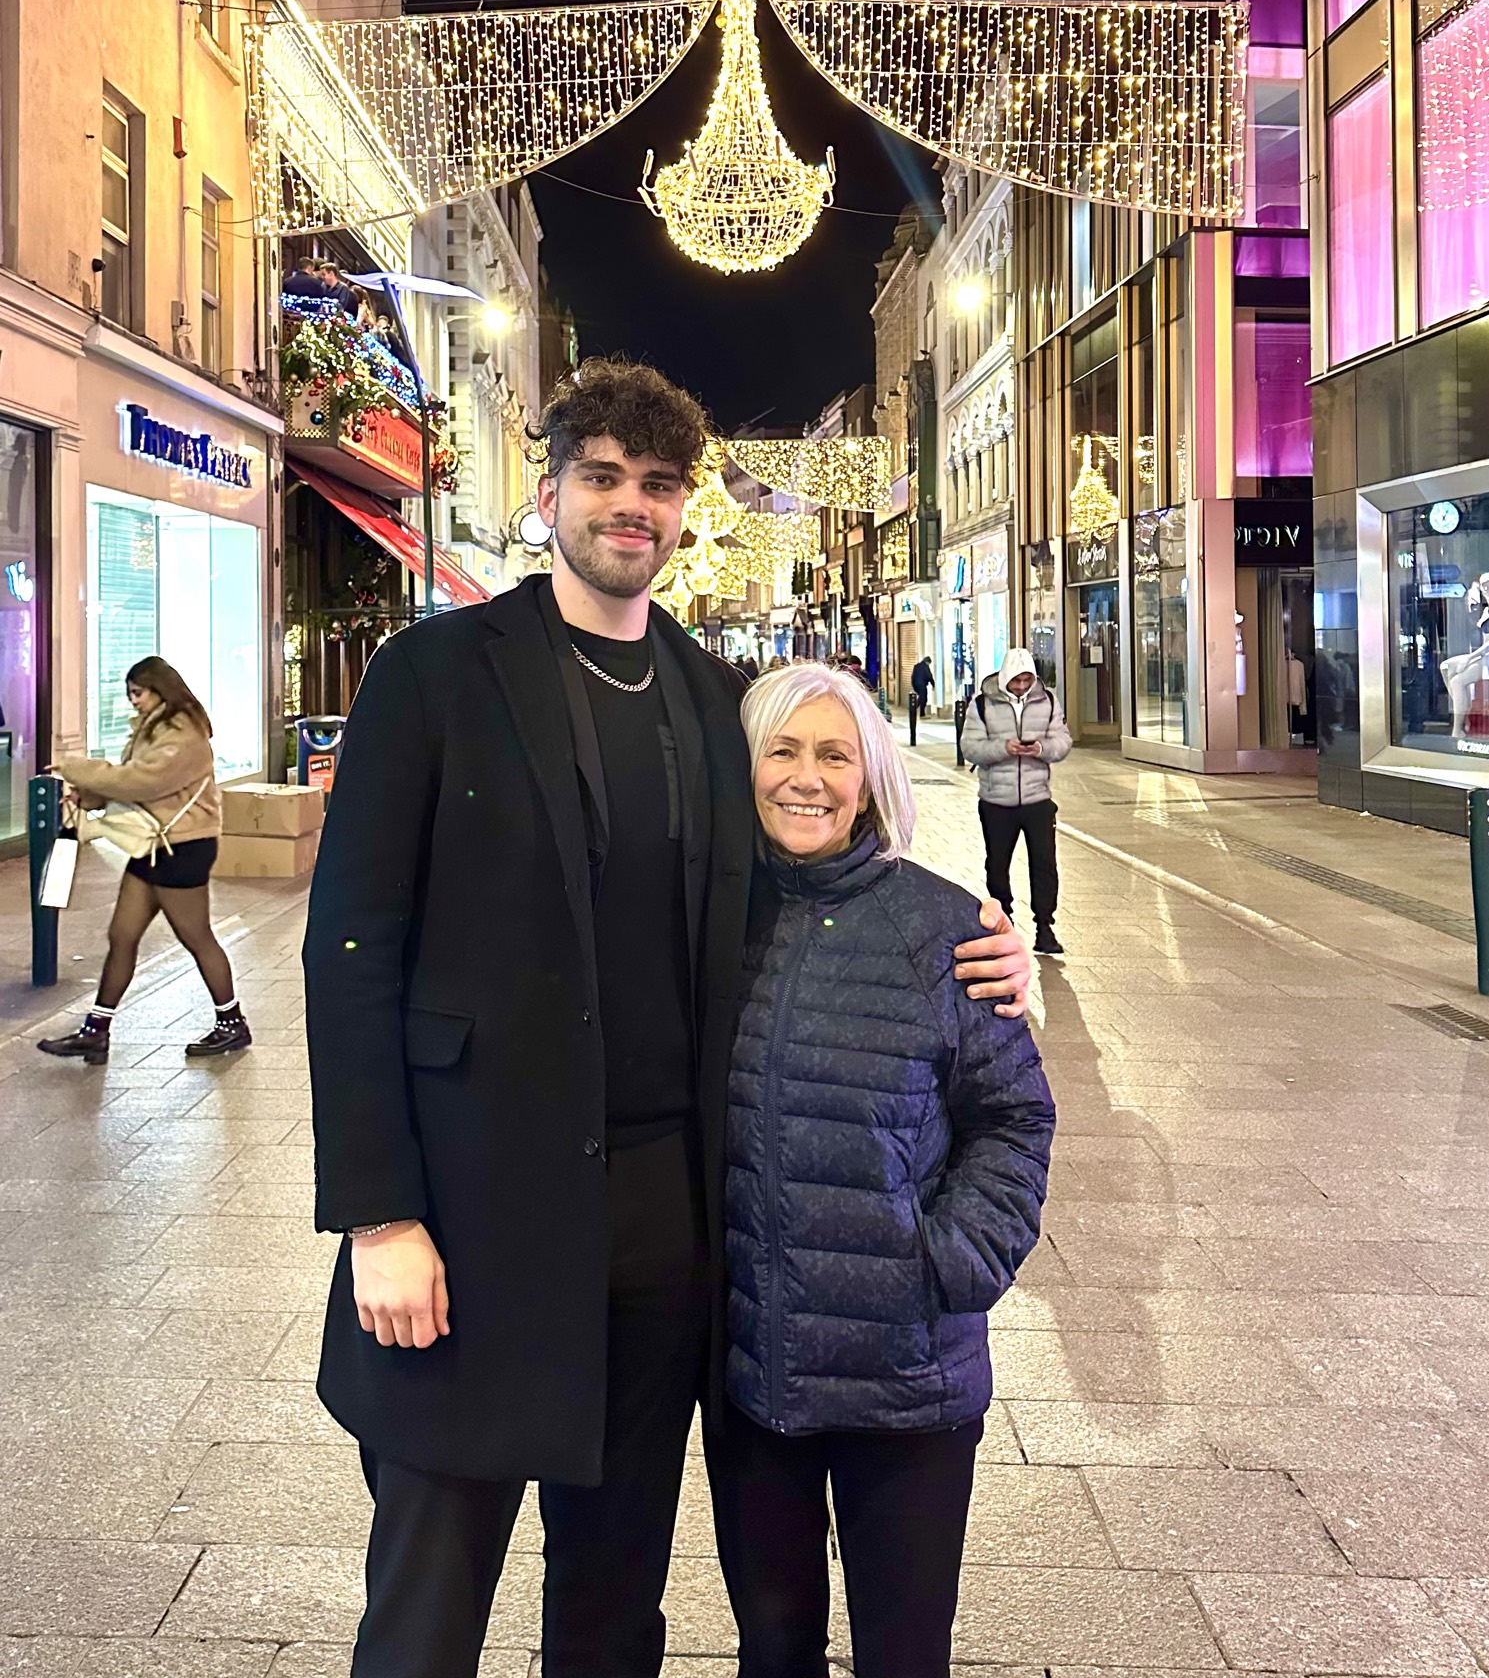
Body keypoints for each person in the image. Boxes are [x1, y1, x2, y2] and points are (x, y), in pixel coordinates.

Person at [302, 357, 1032, 1678]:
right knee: (427, 1596)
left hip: (659, 1229)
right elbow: (351, 949)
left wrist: (968, 950)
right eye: (602, 477)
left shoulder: (709, 701)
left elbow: (799, 885)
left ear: (685, 508)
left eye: (657, 483)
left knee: (613, 1592)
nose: (629, 504)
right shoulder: (435, 672)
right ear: (550, 495)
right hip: (468, 1207)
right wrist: (379, 1214)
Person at [709, 664, 1055, 1677]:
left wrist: (950, 1263)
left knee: (904, 1655)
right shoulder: (709, 925)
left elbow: (1013, 1115)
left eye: (835, 754)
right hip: (758, 1375)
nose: (806, 777)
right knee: (774, 1649)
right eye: (782, 750)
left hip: (909, 1380)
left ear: (869, 779)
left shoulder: (943, 929)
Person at [35, 657, 249, 1064]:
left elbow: (144, 780)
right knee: (122, 934)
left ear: (160, 689)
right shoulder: (153, 728)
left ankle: (231, 1022)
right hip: (152, 844)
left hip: (182, 847)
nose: (133, 701)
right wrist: (91, 797)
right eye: (130, 694)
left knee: (196, 936)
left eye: (138, 692)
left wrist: (80, 769)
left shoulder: (183, 733)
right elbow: (134, 782)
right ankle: (96, 1031)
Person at [960, 646, 1072, 957]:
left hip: (1038, 799)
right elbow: (969, 747)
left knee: (1044, 864)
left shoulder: (1048, 701)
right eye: (1016, 681)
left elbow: (1063, 741)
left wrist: (1041, 749)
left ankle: (1045, 926)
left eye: (1027, 681)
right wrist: (1003, 748)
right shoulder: (982, 704)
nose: (1022, 687)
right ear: (1005, 678)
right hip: (996, 800)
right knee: (997, 864)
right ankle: (1004, 921)